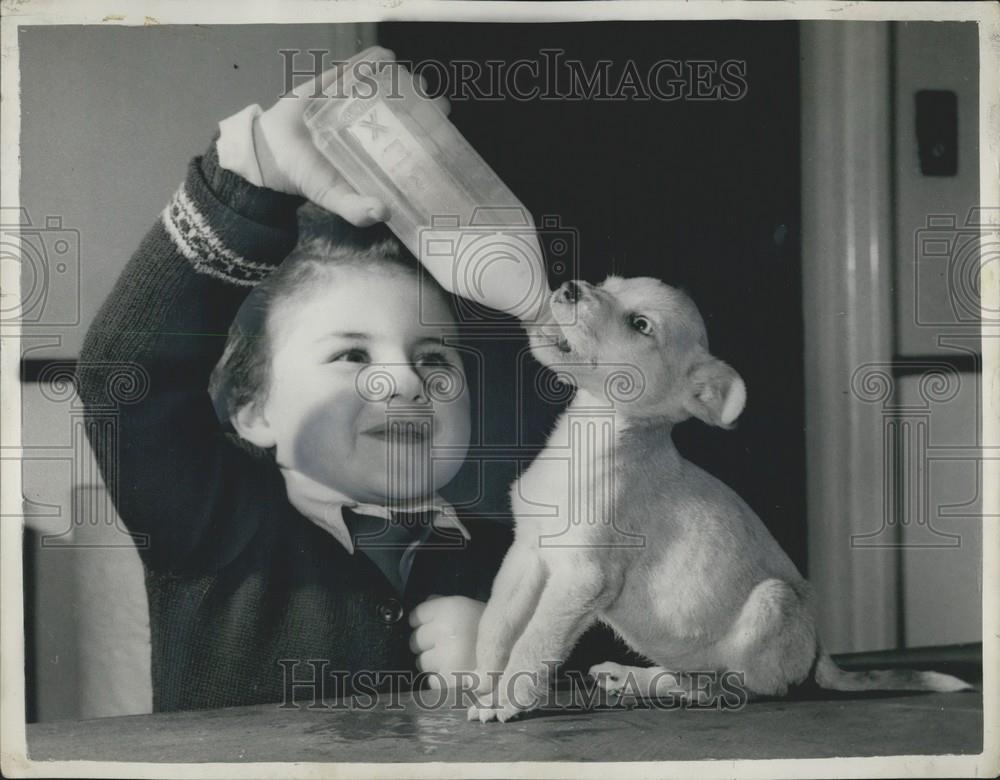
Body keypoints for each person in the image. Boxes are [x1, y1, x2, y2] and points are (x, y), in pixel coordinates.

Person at [77, 50, 638, 713]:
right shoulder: (210, 523)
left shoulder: (525, 560)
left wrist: (510, 671)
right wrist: (247, 181)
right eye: (351, 357)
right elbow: (125, 377)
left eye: (434, 358)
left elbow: (633, 699)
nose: (403, 381)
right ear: (255, 410)